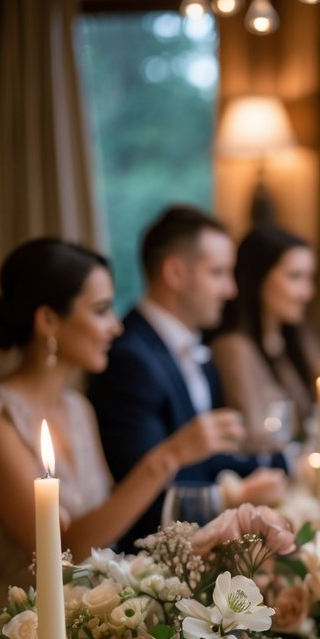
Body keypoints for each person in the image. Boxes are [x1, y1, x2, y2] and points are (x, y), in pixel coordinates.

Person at [0, 238, 257, 608]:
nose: (116, 327)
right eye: (101, 310)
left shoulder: (79, 409)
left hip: (89, 617)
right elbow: (63, 551)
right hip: (11, 634)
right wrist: (169, 456)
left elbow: (107, 530)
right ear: (48, 320)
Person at [88, 205, 285, 551]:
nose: (231, 290)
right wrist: (232, 495)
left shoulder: (195, 347)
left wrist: (282, 462)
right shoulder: (129, 359)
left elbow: (208, 458)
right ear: (176, 273)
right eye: (219, 273)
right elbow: (150, 495)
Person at [210, 224, 320, 454]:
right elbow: (252, 440)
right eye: (295, 277)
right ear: (258, 278)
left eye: (309, 278)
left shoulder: (295, 341)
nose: (307, 292)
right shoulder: (234, 348)